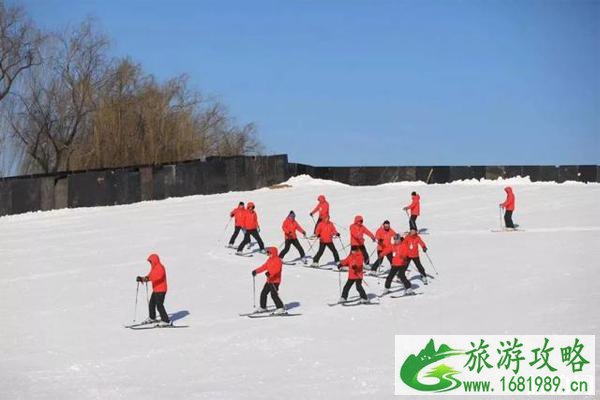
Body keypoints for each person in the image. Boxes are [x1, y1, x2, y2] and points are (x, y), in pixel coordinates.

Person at [136, 253, 171, 326]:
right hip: (156, 290)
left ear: (154, 260)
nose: (150, 263)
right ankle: (152, 318)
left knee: (159, 305)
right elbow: (150, 276)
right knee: (151, 304)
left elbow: (158, 276)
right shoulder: (154, 268)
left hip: (161, 290)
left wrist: (148, 278)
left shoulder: (160, 267)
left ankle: (166, 321)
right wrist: (142, 279)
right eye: (150, 262)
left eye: (151, 261)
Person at [252, 247, 285, 314]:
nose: (268, 254)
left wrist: (270, 273)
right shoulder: (269, 260)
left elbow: (277, 270)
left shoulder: (278, 260)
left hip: (275, 281)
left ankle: (280, 308)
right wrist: (256, 271)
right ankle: (263, 307)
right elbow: (264, 267)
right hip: (269, 280)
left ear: (273, 253)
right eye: (267, 253)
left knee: (274, 294)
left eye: (269, 253)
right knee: (263, 293)